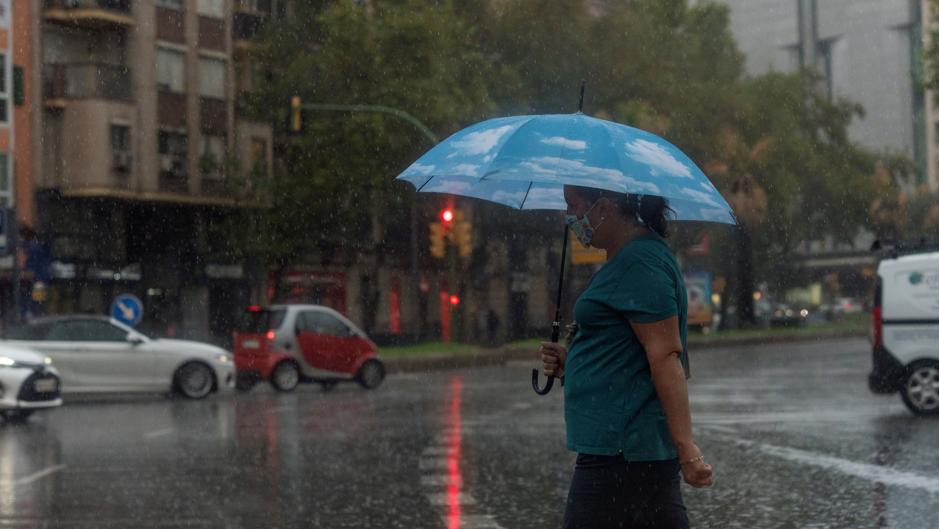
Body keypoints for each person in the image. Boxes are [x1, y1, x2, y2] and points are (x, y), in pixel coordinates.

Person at [540, 185, 713, 529]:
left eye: (573, 206)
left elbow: (665, 356)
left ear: (604, 207)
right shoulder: (628, 259)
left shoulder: (640, 262)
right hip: (621, 451)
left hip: (624, 453)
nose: (569, 218)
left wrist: (686, 448)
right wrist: (571, 364)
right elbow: (624, 349)